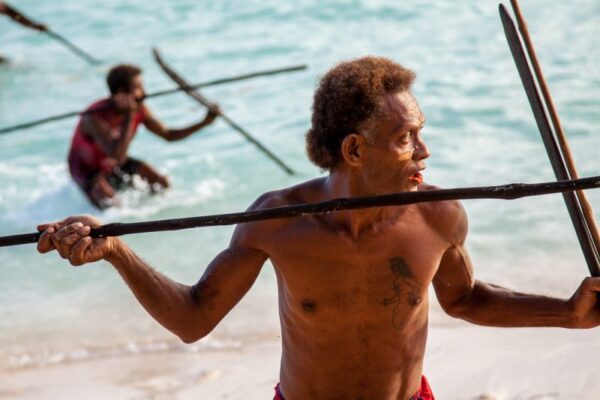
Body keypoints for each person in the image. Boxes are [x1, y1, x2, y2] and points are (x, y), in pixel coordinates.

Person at [36, 57, 600, 399]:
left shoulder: (439, 214)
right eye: (406, 138)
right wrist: (115, 251)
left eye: (420, 132)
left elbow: (466, 298)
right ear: (354, 149)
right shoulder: (277, 222)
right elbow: (192, 319)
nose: (424, 151)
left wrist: (569, 315)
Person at [67, 64, 219, 208]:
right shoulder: (94, 117)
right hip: (87, 170)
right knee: (113, 206)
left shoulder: (140, 109)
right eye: (138, 88)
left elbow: (168, 135)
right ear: (122, 92)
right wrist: (129, 117)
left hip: (113, 162)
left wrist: (204, 122)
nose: (144, 93)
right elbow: (117, 156)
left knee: (161, 183)